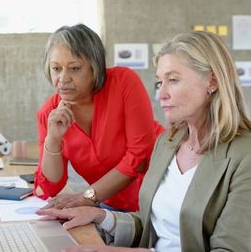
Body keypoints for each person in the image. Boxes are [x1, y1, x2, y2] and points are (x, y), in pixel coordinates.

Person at [37, 31, 251, 251]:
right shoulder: (168, 143)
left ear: (212, 81)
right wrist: (101, 216)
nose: (161, 93)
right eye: (160, 81)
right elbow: (154, 226)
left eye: (173, 80)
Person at [34, 24, 164, 212]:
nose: (63, 78)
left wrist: (87, 196)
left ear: (95, 68)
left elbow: (139, 158)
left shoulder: (123, 83)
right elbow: (50, 187)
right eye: (56, 68)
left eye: (75, 68)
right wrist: (53, 140)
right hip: (111, 206)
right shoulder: (49, 114)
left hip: (159, 196)